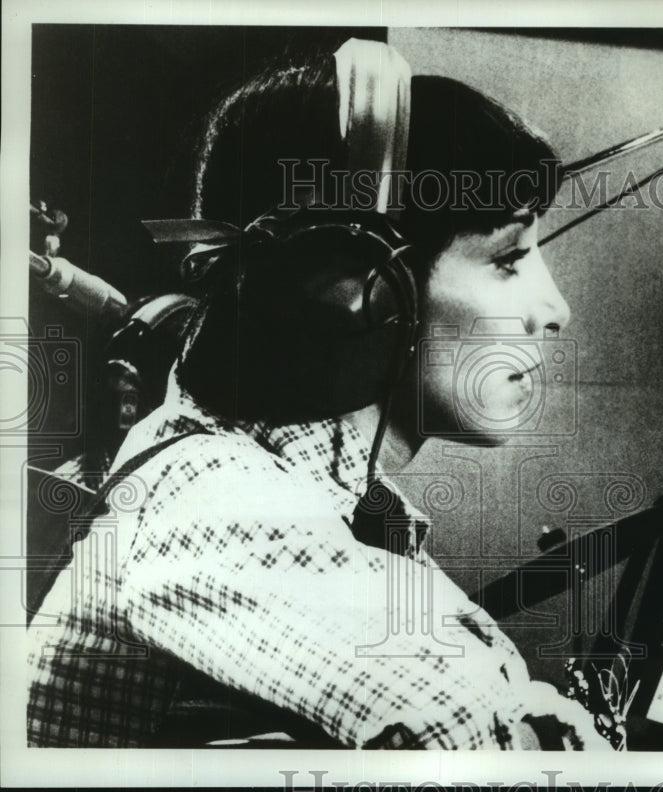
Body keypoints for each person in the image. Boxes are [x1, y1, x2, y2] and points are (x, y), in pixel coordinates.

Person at [27, 38, 609, 750]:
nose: (556, 309)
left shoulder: (331, 504)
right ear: (355, 293)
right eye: (510, 259)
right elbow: (459, 733)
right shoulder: (215, 495)